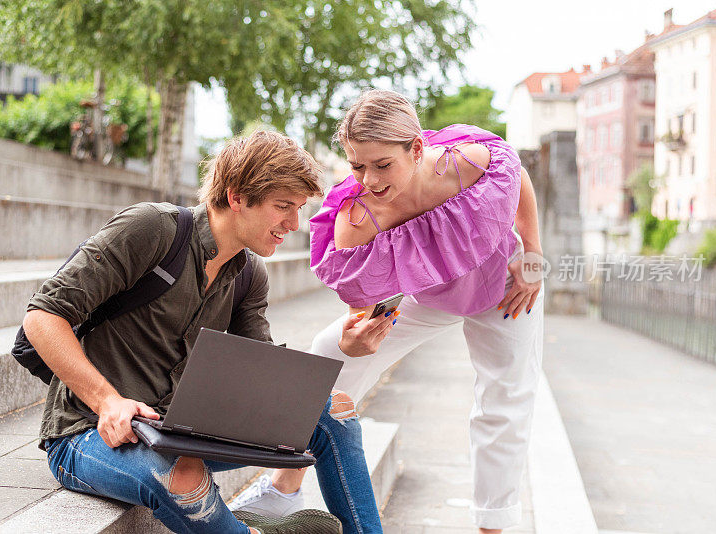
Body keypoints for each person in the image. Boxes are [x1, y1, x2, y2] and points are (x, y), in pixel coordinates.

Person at [23, 131, 390, 534]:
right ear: (236, 196)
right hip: (90, 432)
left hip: (179, 430)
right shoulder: (151, 229)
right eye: (283, 207)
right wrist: (108, 401)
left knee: (333, 410)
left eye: (299, 208)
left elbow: (262, 378)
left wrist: (342, 348)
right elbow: (42, 316)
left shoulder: (249, 274)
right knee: (182, 477)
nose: (293, 224)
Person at [231, 90, 544, 533]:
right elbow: (367, 306)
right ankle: (284, 486)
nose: (370, 179)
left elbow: (518, 180)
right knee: (328, 351)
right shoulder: (357, 218)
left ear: (416, 149)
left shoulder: (466, 162)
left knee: (505, 399)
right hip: (428, 291)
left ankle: (492, 527)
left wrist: (532, 257)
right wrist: (356, 338)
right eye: (358, 166)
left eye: (382, 165)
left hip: (505, 285)